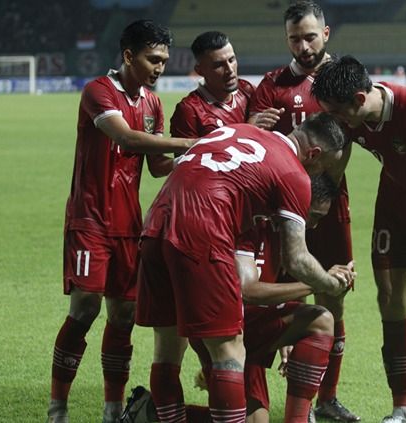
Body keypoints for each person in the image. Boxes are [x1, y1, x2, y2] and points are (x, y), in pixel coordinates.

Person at [134, 114, 355, 423]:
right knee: (230, 351)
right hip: (202, 228)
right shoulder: (293, 173)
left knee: (168, 351)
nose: (318, 175)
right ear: (314, 155)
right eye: (323, 168)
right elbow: (297, 258)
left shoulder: (240, 130)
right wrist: (329, 284)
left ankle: (151, 415)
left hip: (156, 224)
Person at [48, 20, 194, 423]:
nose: (160, 67)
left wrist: (202, 152)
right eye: (153, 59)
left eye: (164, 60)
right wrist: (188, 143)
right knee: (85, 309)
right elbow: (127, 139)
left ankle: (113, 411)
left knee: (124, 316)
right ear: (129, 56)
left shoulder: (153, 103)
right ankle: (57, 407)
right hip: (90, 219)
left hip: (130, 225)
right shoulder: (98, 91)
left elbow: (158, 165)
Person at [312, 56, 406, 423]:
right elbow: (329, 153)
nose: (335, 121)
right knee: (389, 300)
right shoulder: (350, 117)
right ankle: (403, 408)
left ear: (360, 99)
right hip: (394, 201)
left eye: (337, 113)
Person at [248, 2, 359, 420]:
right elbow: (251, 141)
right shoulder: (271, 86)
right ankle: (294, 400)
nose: (303, 45)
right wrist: (255, 120)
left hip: (328, 209)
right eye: (295, 38)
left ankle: (326, 399)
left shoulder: (343, 81)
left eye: (310, 36)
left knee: (333, 295)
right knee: (270, 297)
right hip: (278, 213)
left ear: (326, 34)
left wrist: (325, 196)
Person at [170, 31, 255, 138]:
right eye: (219, 65)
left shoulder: (248, 90)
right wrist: (250, 129)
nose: (230, 70)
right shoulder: (190, 110)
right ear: (200, 71)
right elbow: (185, 155)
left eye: (231, 60)